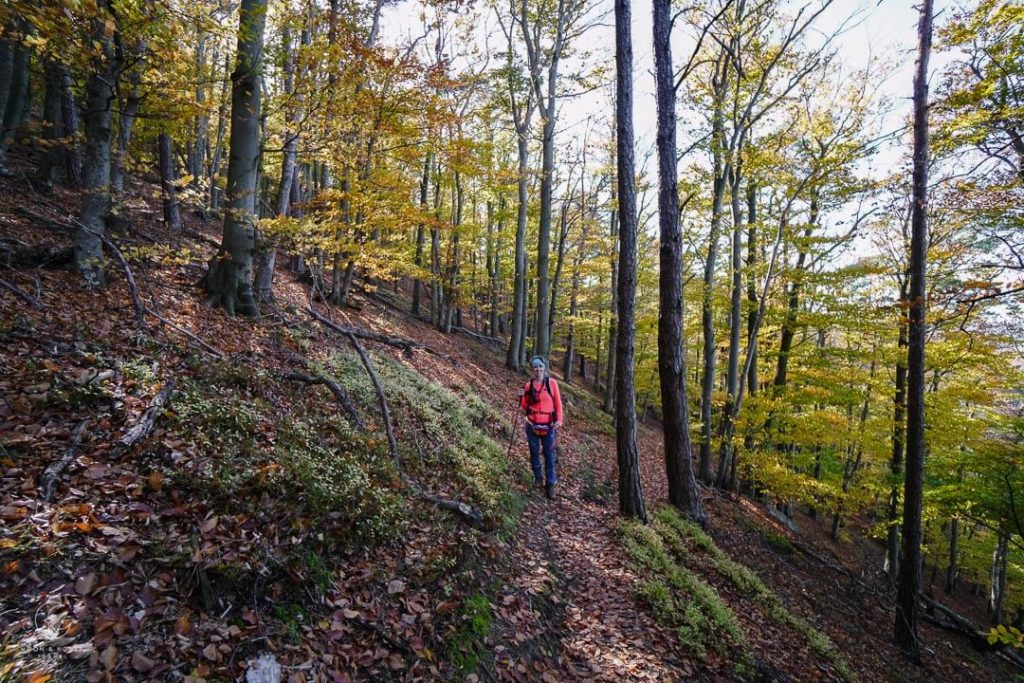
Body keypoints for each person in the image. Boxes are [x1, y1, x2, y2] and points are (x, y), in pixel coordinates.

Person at [519, 356, 563, 499]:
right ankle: (538, 478)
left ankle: (550, 484)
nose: (538, 369)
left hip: (549, 426)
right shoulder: (528, 385)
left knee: (549, 455)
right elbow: (525, 406)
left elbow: (558, 403)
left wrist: (559, 420)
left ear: (544, 368)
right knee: (533, 453)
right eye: (535, 367)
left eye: (540, 367)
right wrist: (521, 397)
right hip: (532, 424)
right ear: (532, 369)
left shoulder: (552, 383)